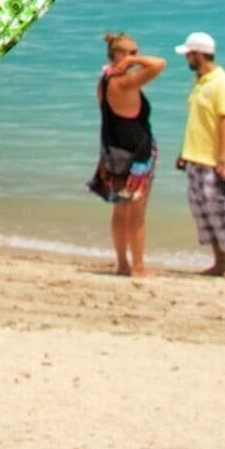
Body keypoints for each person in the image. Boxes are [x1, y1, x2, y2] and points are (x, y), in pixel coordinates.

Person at [87, 32, 166, 275]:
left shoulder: (104, 81)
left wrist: (129, 61)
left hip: (113, 152)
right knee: (137, 214)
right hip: (135, 157)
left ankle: (122, 263)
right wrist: (133, 62)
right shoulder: (125, 83)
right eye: (132, 52)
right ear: (118, 55)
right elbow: (159, 64)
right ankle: (138, 266)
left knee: (120, 211)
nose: (137, 55)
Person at [175, 31, 225, 278]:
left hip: (215, 161)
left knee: (224, 213)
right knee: (203, 214)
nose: (187, 59)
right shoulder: (200, 82)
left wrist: (222, 160)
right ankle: (219, 262)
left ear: (199, 54)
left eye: (189, 55)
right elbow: (198, 121)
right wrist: (184, 153)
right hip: (195, 158)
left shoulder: (222, 83)